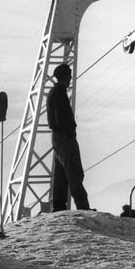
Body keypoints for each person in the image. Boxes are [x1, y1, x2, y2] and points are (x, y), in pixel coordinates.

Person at [46, 63, 91, 212]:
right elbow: (62, 116)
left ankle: (59, 206)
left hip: (57, 137)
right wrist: (69, 134)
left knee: (61, 173)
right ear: (66, 76)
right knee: (74, 171)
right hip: (65, 137)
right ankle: (83, 207)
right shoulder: (59, 93)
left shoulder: (54, 92)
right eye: (69, 75)